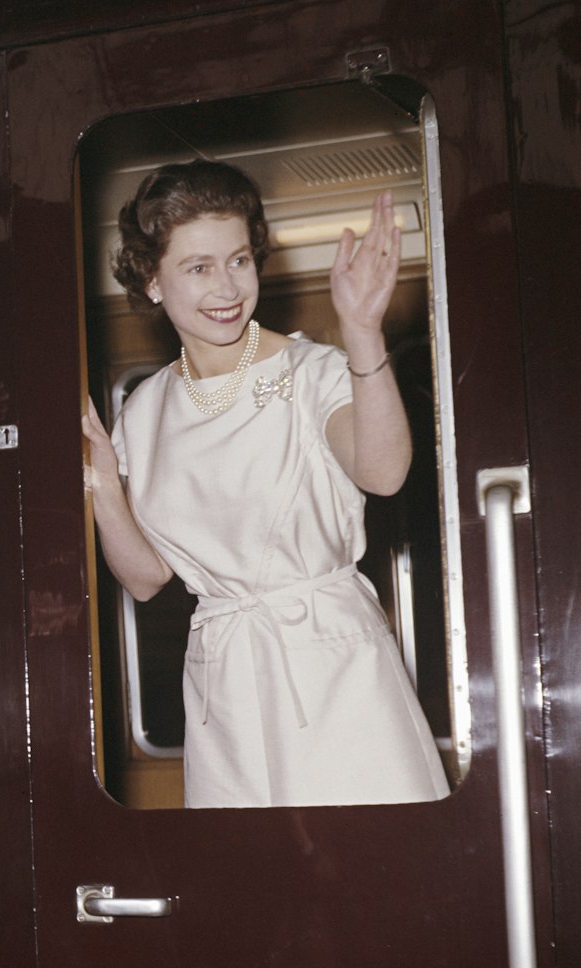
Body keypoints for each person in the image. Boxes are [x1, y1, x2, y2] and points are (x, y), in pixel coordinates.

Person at [82, 159, 448, 809]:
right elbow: (145, 578)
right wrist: (105, 485)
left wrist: (363, 335)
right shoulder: (144, 411)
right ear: (152, 280)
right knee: (252, 895)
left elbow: (384, 472)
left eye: (240, 259)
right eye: (199, 267)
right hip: (223, 684)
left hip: (333, 669)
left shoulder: (313, 371)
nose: (227, 286)